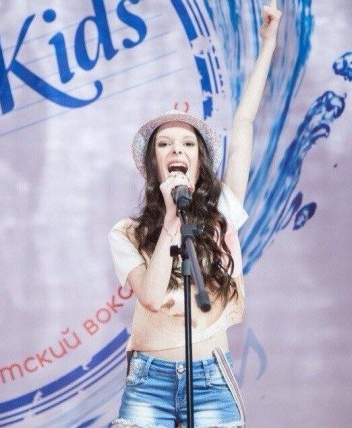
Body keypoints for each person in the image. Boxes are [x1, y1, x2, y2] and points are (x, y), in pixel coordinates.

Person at [108, 1, 281, 427]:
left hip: (211, 379)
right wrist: (171, 219)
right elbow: (151, 297)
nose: (177, 150)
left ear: (199, 161)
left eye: (187, 144)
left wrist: (268, 45)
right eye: (164, 144)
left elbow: (244, 123)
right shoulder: (127, 233)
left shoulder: (222, 213)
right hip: (149, 382)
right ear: (153, 164)